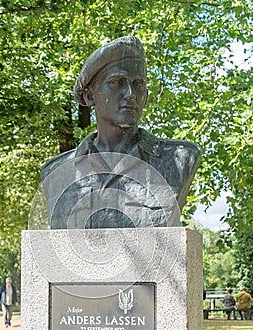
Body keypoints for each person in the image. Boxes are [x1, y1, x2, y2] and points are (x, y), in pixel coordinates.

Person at [41, 36, 202, 229]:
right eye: (117, 82)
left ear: (146, 96)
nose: (130, 94)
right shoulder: (57, 172)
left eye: (138, 84)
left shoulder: (180, 159)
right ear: (90, 95)